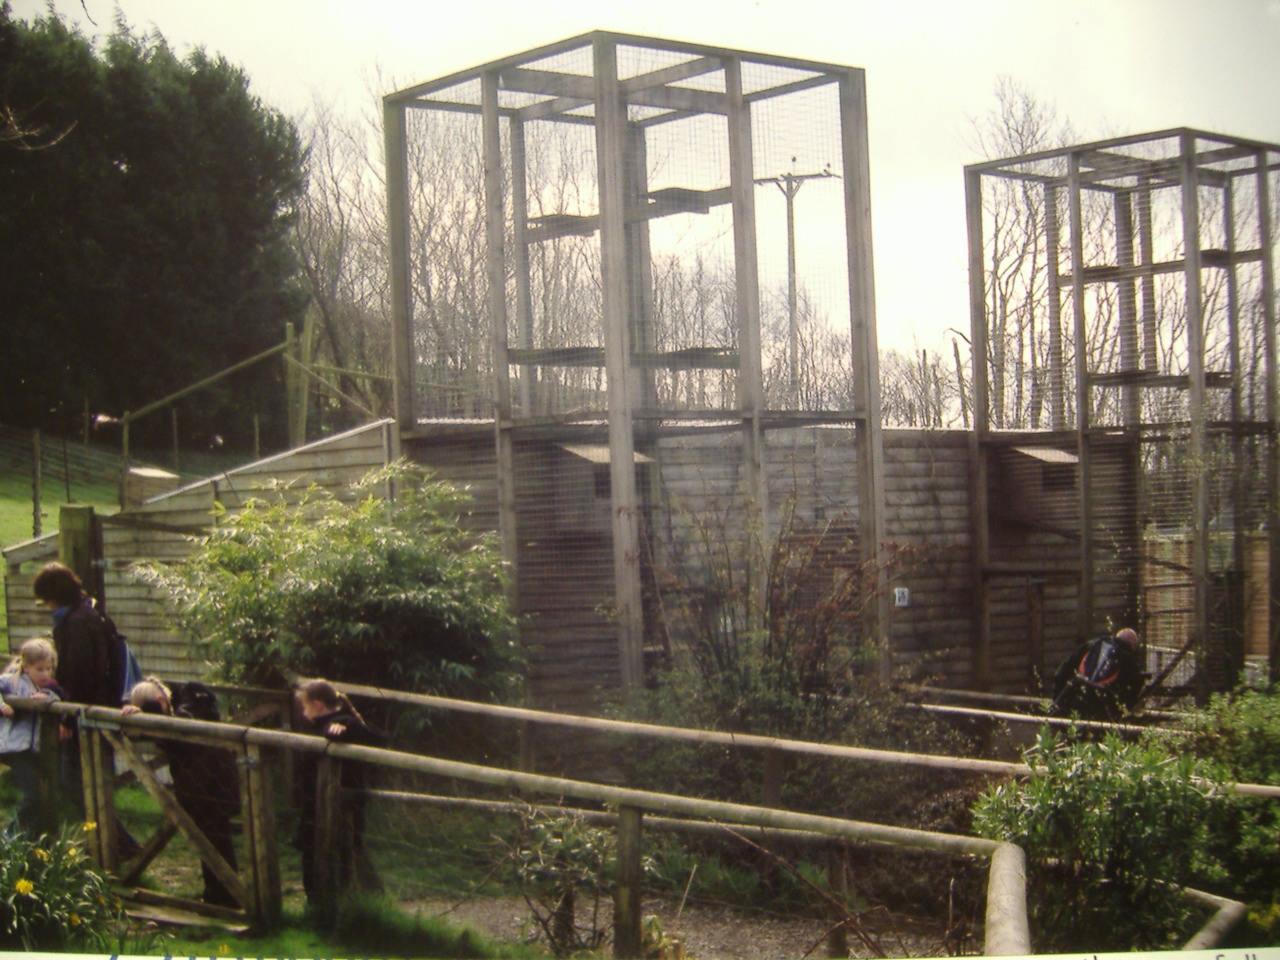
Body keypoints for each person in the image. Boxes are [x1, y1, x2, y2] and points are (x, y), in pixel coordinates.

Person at [30, 561, 139, 856]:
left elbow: (77, 674)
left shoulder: (76, 622)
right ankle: (113, 843)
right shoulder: (91, 612)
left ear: (55, 595)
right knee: (90, 779)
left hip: (87, 712)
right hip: (99, 707)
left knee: (74, 779)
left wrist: (66, 715)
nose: (47, 606)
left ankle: (118, 844)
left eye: (47, 599)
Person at [121, 677, 241, 907]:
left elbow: (190, 720)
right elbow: (151, 734)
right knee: (207, 838)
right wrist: (132, 719)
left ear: (159, 700)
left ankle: (229, 897)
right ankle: (217, 894)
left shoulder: (193, 699)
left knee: (217, 838)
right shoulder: (171, 710)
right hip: (197, 786)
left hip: (215, 783)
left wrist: (152, 717)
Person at [292, 678, 385, 907]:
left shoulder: (344, 722)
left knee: (341, 852)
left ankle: (336, 906)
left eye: (305, 706)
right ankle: (323, 906)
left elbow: (378, 737)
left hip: (339, 802)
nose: (303, 712)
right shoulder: (325, 722)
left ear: (317, 704)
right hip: (317, 801)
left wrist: (348, 727)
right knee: (318, 851)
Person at [0, 638, 61, 836]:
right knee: (33, 795)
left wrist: (48, 698)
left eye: (49, 669)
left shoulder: (46, 688)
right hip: (14, 746)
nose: (45, 674)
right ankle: (8, 837)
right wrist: (3, 705)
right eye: (40, 669)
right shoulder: (13, 682)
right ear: (26, 667)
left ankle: (29, 840)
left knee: (43, 795)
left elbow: (59, 699)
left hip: (32, 747)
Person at [1050, 627, 1146, 722]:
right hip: (1100, 705)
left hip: (1076, 692)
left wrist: (1057, 699)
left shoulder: (1093, 644)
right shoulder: (1128, 658)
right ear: (1133, 646)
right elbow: (1134, 690)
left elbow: (1061, 672)